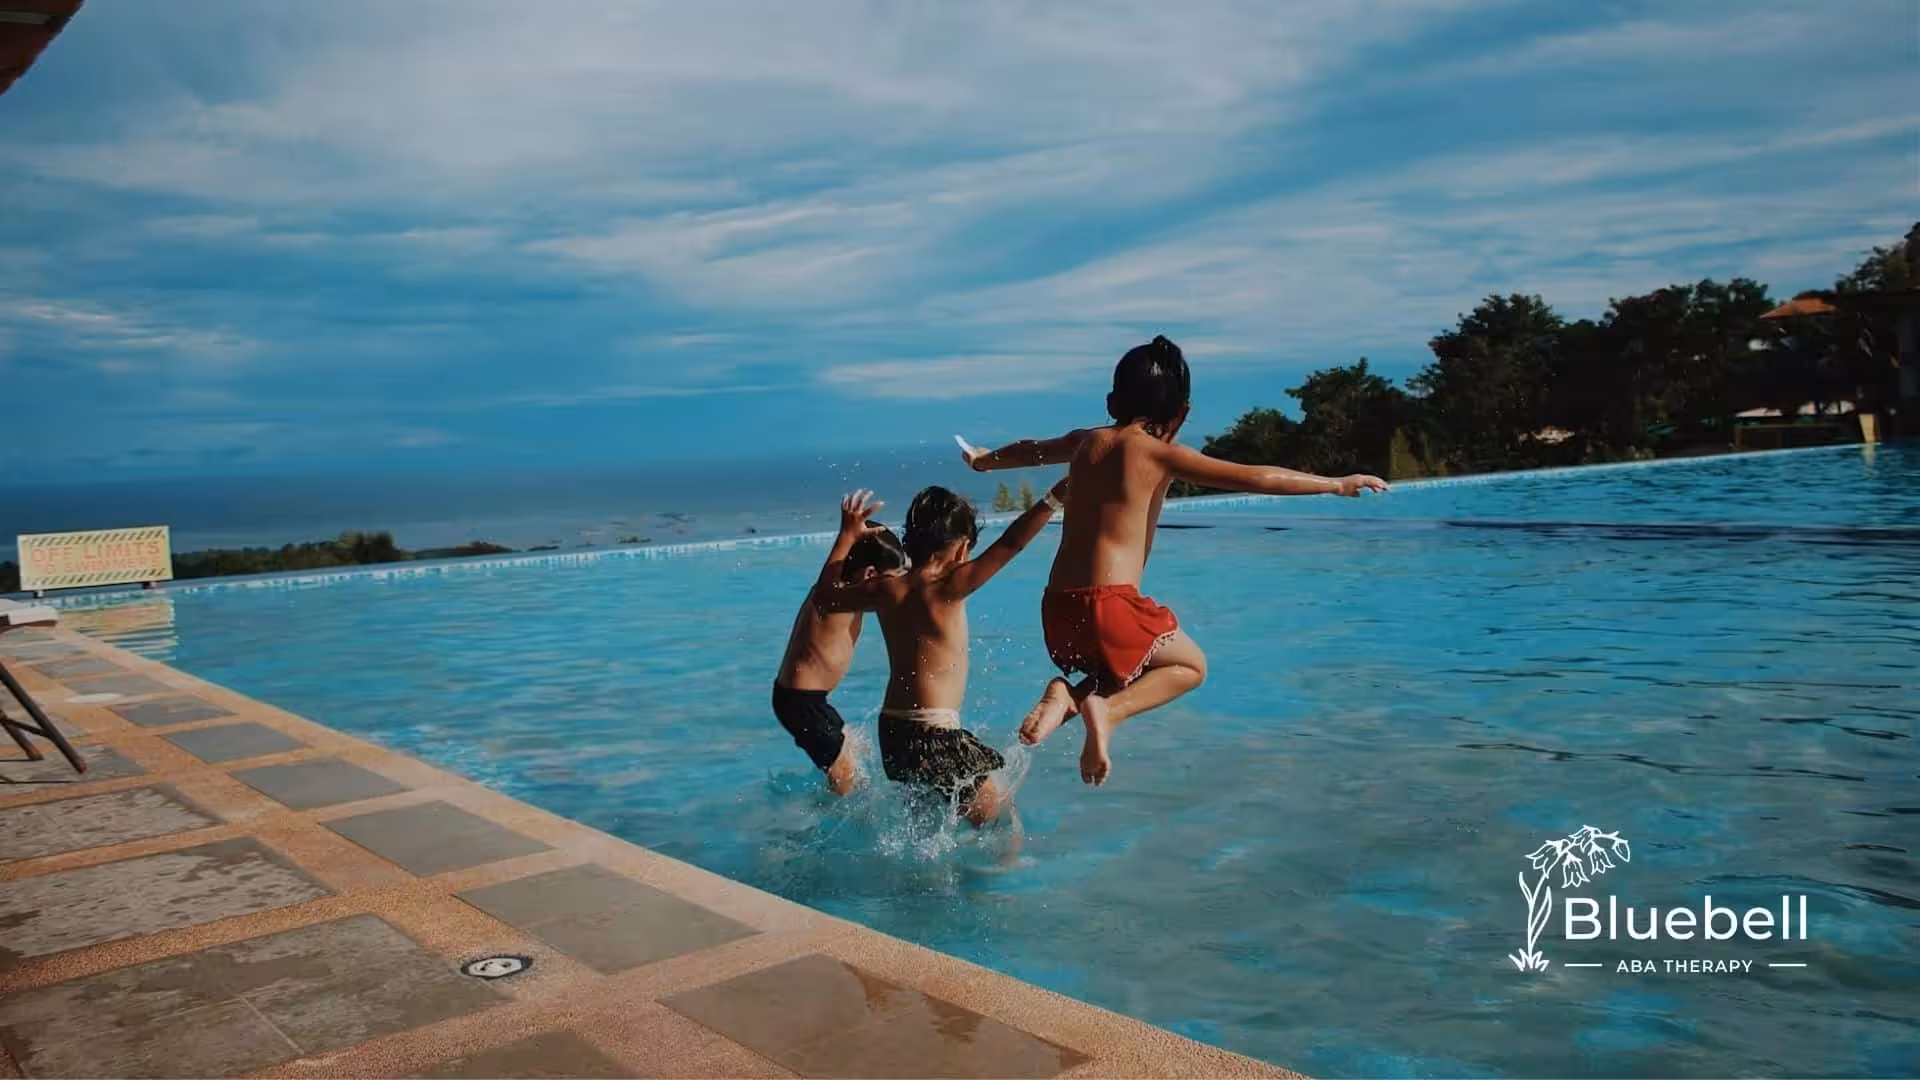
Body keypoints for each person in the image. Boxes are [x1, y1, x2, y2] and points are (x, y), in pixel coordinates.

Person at [960, 335, 1387, 786]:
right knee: (1189, 667)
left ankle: (1066, 696)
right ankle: (1104, 710)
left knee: (1124, 666)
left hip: (1058, 607)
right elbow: (1258, 477)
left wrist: (984, 461)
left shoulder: (1085, 442)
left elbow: (1031, 450)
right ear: (1180, 413)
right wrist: (1337, 484)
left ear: (1111, 401)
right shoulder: (1161, 454)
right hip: (1112, 604)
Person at [815, 478, 1069, 826]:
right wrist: (1053, 499)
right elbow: (1011, 543)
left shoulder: (886, 590)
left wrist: (846, 536)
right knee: (999, 819)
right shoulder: (949, 586)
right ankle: (997, 875)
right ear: (962, 548)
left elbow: (825, 597)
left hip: (892, 732)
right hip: (934, 734)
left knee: (923, 823)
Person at [772, 490, 908, 794]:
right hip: (800, 702)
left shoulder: (852, 593)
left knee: (859, 754)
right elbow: (828, 583)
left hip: (810, 701)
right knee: (847, 782)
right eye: (894, 577)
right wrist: (847, 535)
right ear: (871, 573)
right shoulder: (833, 597)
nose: (896, 586)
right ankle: (819, 834)